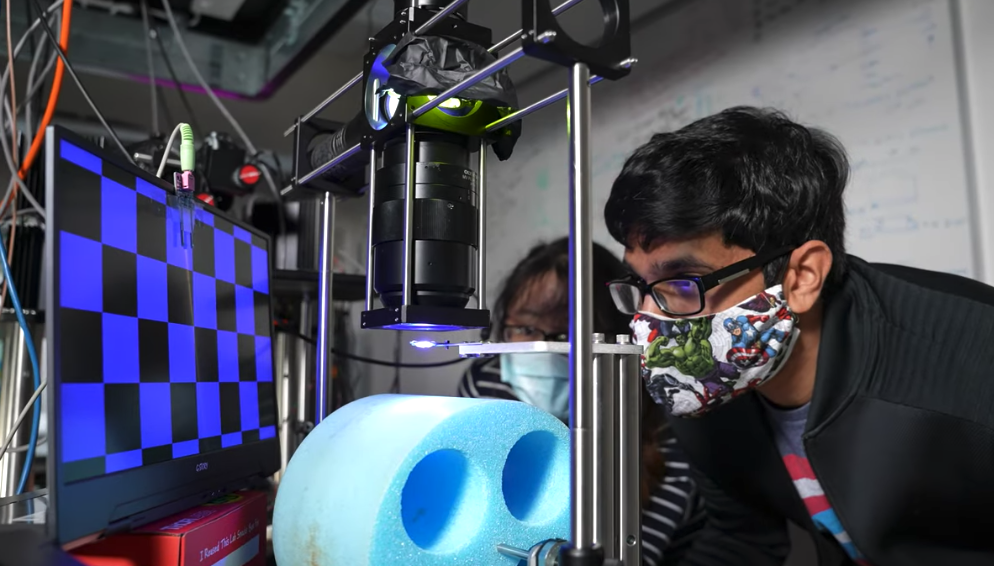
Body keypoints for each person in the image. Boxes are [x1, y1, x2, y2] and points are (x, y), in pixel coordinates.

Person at [603, 106, 994, 566]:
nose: (649, 323)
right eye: (642, 285)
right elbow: (742, 538)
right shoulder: (700, 383)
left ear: (802, 276)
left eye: (683, 281)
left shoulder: (972, 364)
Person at [458, 238, 705, 565]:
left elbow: (633, 555)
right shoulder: (487, 381)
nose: (543, 352)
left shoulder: (662, 413)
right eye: (525, 328)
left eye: (564, 336)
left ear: (615, 339)